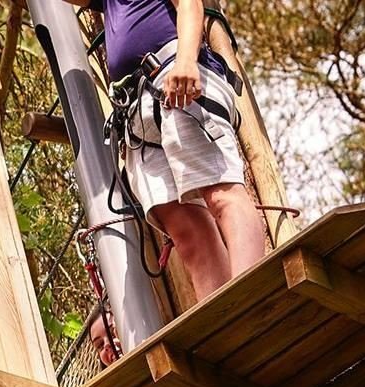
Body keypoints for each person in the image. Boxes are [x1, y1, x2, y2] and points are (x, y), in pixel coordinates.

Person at [77, 0, 268, 300]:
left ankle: (251, 298)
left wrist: (187, 60)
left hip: (178, 78)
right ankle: (222, 314)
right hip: (138, 112)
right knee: (185, 229)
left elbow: (191, 4)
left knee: (221, 195)